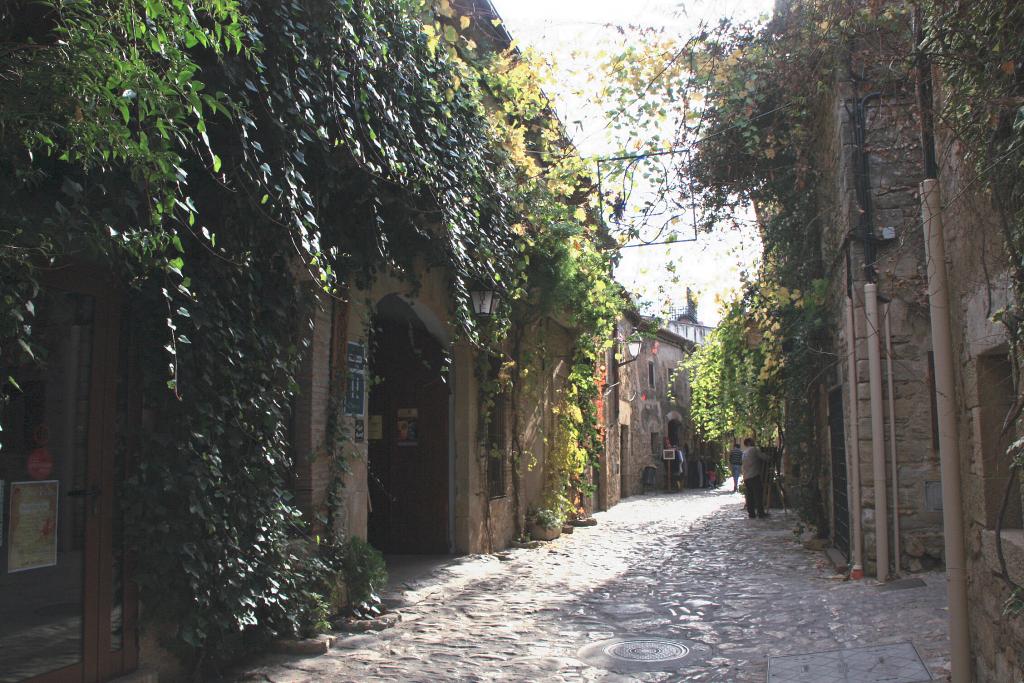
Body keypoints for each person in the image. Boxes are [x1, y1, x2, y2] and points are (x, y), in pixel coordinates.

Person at [741, 437, 768, 518]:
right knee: (758, 495)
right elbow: (764, 457)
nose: (754, 442)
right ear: (749, 442)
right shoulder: (754, 449)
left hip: (746, 476)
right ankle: (760, 513)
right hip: (754, 475)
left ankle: (751, 513)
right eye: (752, 441)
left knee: (750, 496)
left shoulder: (744, 452)